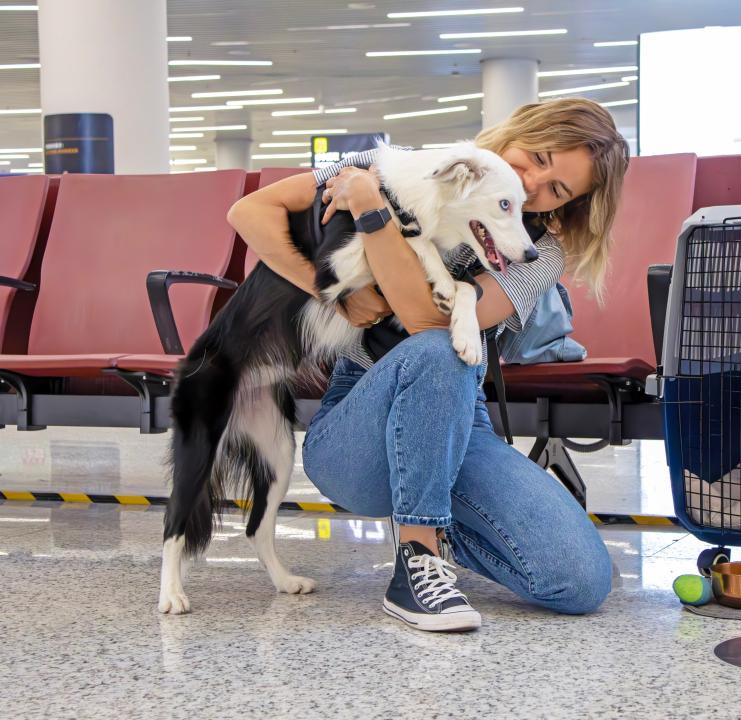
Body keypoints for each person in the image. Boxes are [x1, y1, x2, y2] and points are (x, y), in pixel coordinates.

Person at [228, 98, 630, 632]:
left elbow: (424, 322)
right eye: (535, 157)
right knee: (447, 349)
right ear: (517, 132)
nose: (532, 185)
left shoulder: (540, 254)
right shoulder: (402, 166)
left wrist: (372, 212)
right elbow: (249, 211)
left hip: (459, 420)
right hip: (358, 421)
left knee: (579, 581)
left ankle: (437, 520)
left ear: (570, 206)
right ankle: (416, 564)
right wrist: (331, 295)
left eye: (557, 189)